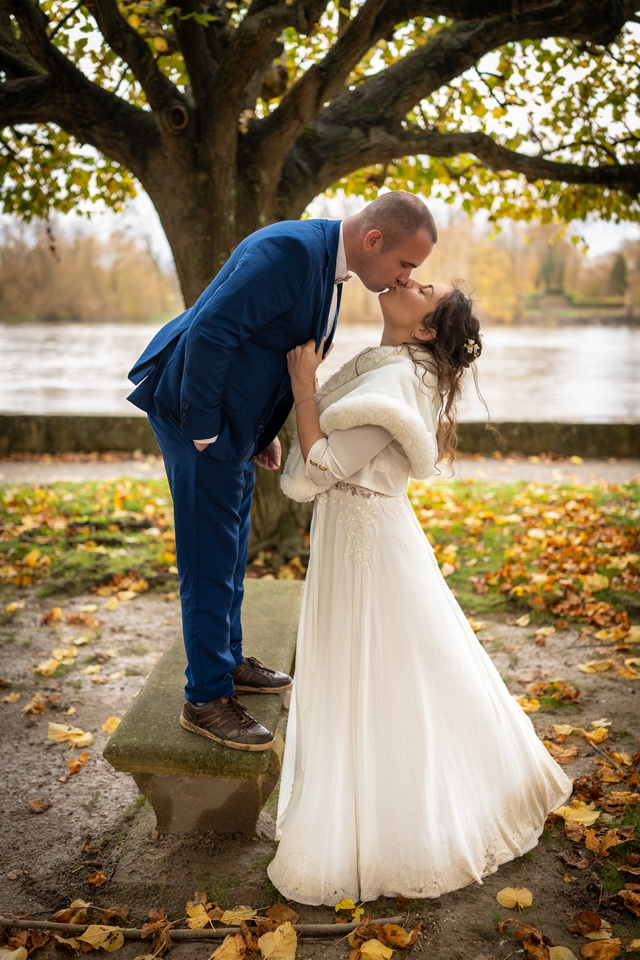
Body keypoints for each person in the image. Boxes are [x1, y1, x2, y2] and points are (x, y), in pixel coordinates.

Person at [267, 279, 573, 904]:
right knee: (390, 671)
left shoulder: (398, 385)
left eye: (425, 286)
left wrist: (303, 390)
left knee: (380, 674)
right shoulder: (392, 369)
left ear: (427, 329)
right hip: (359, 532)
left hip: (367, 548)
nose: (409, 279)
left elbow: (323, 466)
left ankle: (395, 831)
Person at [126, 192, 437, 751]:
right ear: (373, 242)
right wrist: (207, 432)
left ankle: (226, 660)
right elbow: (212, 333)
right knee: (208, 556)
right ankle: (206, 700)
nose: (405, 276)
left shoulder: (329, 264)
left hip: (234, 423)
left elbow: (272, 348)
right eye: (405, 264)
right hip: (196, 413)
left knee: (231, 544)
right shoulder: (289, 252)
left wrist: (264, 430)